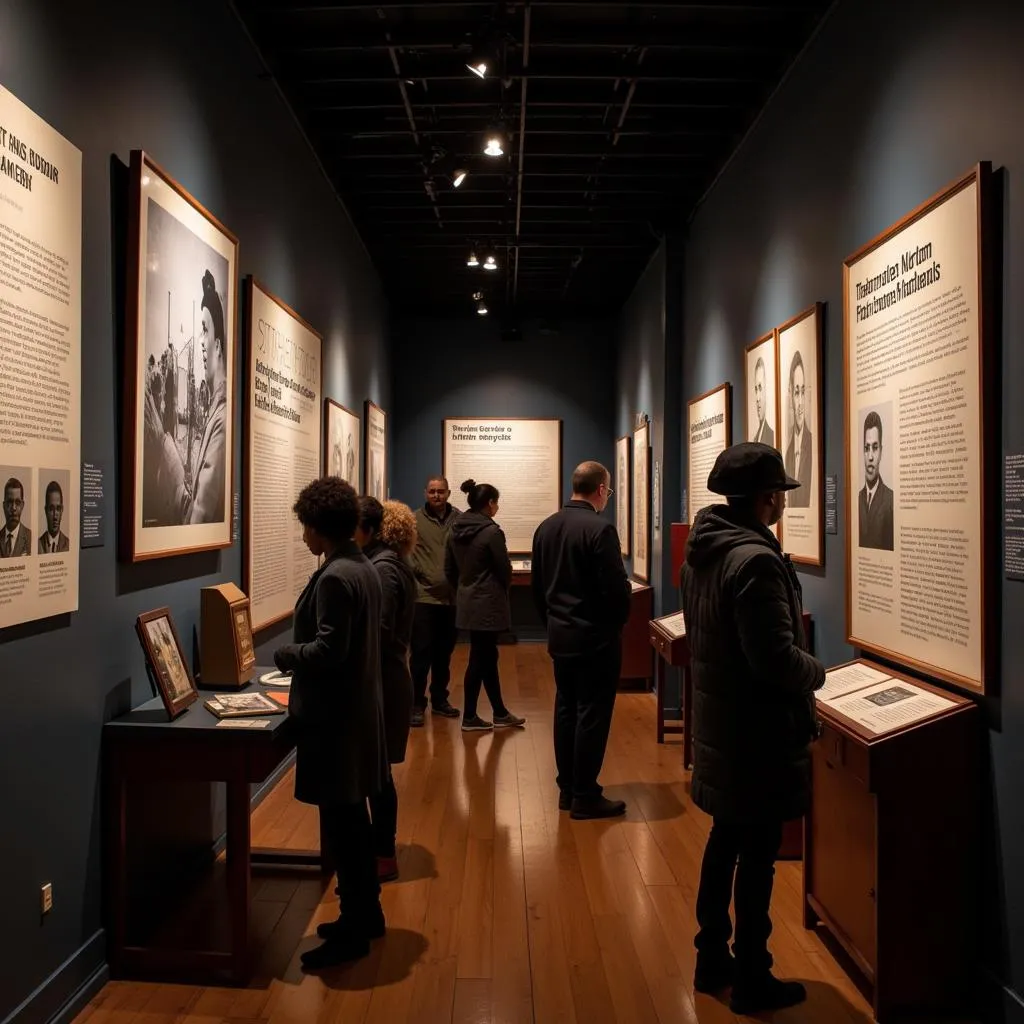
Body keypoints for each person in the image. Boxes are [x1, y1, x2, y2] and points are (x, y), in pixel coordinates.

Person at [679, 442, 824, 1014]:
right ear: (768, 499)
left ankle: (712, 957)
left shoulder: (705, 550)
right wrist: (819, 672)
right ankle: (752, 975)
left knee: (724, 844)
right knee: (757, 859)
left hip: (724, 727)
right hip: (756, 736)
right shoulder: (755, 560)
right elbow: (775, 659)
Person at [273, 477, 389, 969]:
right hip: (355, 716)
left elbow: (329, 650)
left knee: (344, 828)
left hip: (336, 723)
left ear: (319, 527)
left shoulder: (338, 576)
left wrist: (284, 653)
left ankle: (353, 932)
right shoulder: (359, 566)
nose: (303, 537)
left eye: (305, 527)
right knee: (353, 825)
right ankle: (367, 916)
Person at [531, 461, 631, 819]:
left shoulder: (546, 527)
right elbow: (617, 592)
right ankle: (586, 794)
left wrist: (553, 623)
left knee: (565, 709)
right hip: (596, 639)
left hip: (561, 636)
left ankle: (567, 788)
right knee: (592, 713)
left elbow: (539, 588)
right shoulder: (600, 530)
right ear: (601, 490)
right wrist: (615, 626)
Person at [355, 496, 417, 884]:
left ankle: (382, 853)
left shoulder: (383, 571)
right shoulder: (386, 565)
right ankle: (380, 851)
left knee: (377, 776)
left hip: (382, 682)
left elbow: (378, 633)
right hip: (385, 679)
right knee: (376, 773)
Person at [144, 268, 227, 525]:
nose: (201, 341)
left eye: (204, 329)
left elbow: (197, 519)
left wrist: (161, 442)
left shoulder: (221, 421)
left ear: (219, 344)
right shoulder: (217, 412)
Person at [445, 479, 526, 732]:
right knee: (480, 659)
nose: (497, 507)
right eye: (496, 502)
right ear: (490, 504)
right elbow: (504, 569)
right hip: (488, 604)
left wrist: (465, 587)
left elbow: (449, 570)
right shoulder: (491, 532)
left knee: (487, 657)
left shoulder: (455, 529)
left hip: (468, 601)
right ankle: (469, 716)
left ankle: (500, 712)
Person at [409, 476, 462, 725]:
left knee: (444, 654)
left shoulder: (459, 519)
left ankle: (440, 699)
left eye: (441, 491)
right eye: (432, 491)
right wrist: (421, 573)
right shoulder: (414, 519)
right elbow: (406, 551)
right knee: (420, 654)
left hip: (451, 600)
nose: (437, 496)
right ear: (425, 493)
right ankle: (416, 703)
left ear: (449, 493)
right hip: (423, 598)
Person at [858, 411, 894, 550]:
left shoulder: (890, 501)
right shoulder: (857, 500)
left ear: (881, 452)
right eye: (867, 448)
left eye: (875, 447)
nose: (871, 456)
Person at [784, 351, 812, 506]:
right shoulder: (788, 453)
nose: (800, 402)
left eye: (802, 391)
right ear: (791, 396)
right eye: (796, 392)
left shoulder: (811, 443)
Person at [1, 478, 31, 557]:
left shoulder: (31, 538)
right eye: (10, 502)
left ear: (22, 505)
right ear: (4, 506)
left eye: (17, 502)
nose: (13, 508)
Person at [39, 481, 70, 553]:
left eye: (58, 509)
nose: (55, 516)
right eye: (51, 509)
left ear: (62, 510)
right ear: (46, 511)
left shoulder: (69, 545)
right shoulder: (38, 544)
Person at [751, 356, 774, 447]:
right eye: (756, 389)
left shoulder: (771, 435)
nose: (757, 398)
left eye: (760, 388)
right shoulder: (755, 438)